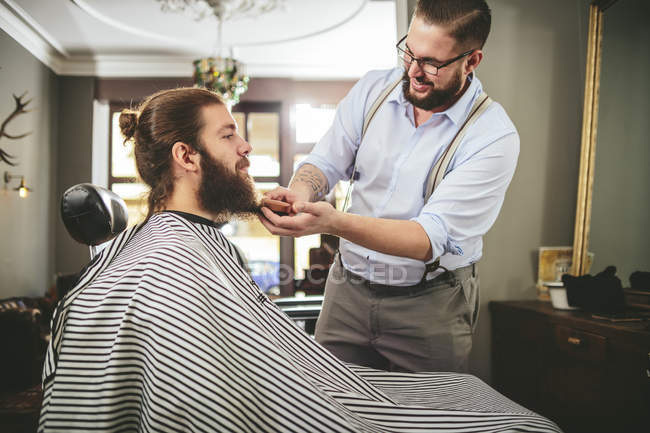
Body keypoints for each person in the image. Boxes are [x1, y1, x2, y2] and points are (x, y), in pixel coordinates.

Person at [38, 88, 558, 432]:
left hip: (412, 313)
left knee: (460, 392)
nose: (246, 147)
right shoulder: (169, 264)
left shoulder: (178, 242)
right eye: (227, 135)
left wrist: (294, 206)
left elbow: (431, 236)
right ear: (186, 156)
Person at [260, 0, 518, 373]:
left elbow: (425, 239)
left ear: (472, 61)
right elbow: (326, 161)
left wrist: (332, 223)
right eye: (409, 52)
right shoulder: (373, 90)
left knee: (429, 421)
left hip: (431, 304)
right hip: (346, 288)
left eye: (431, 62)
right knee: (333, 408)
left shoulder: (492, 136)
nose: (414, 71)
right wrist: (300, 192)